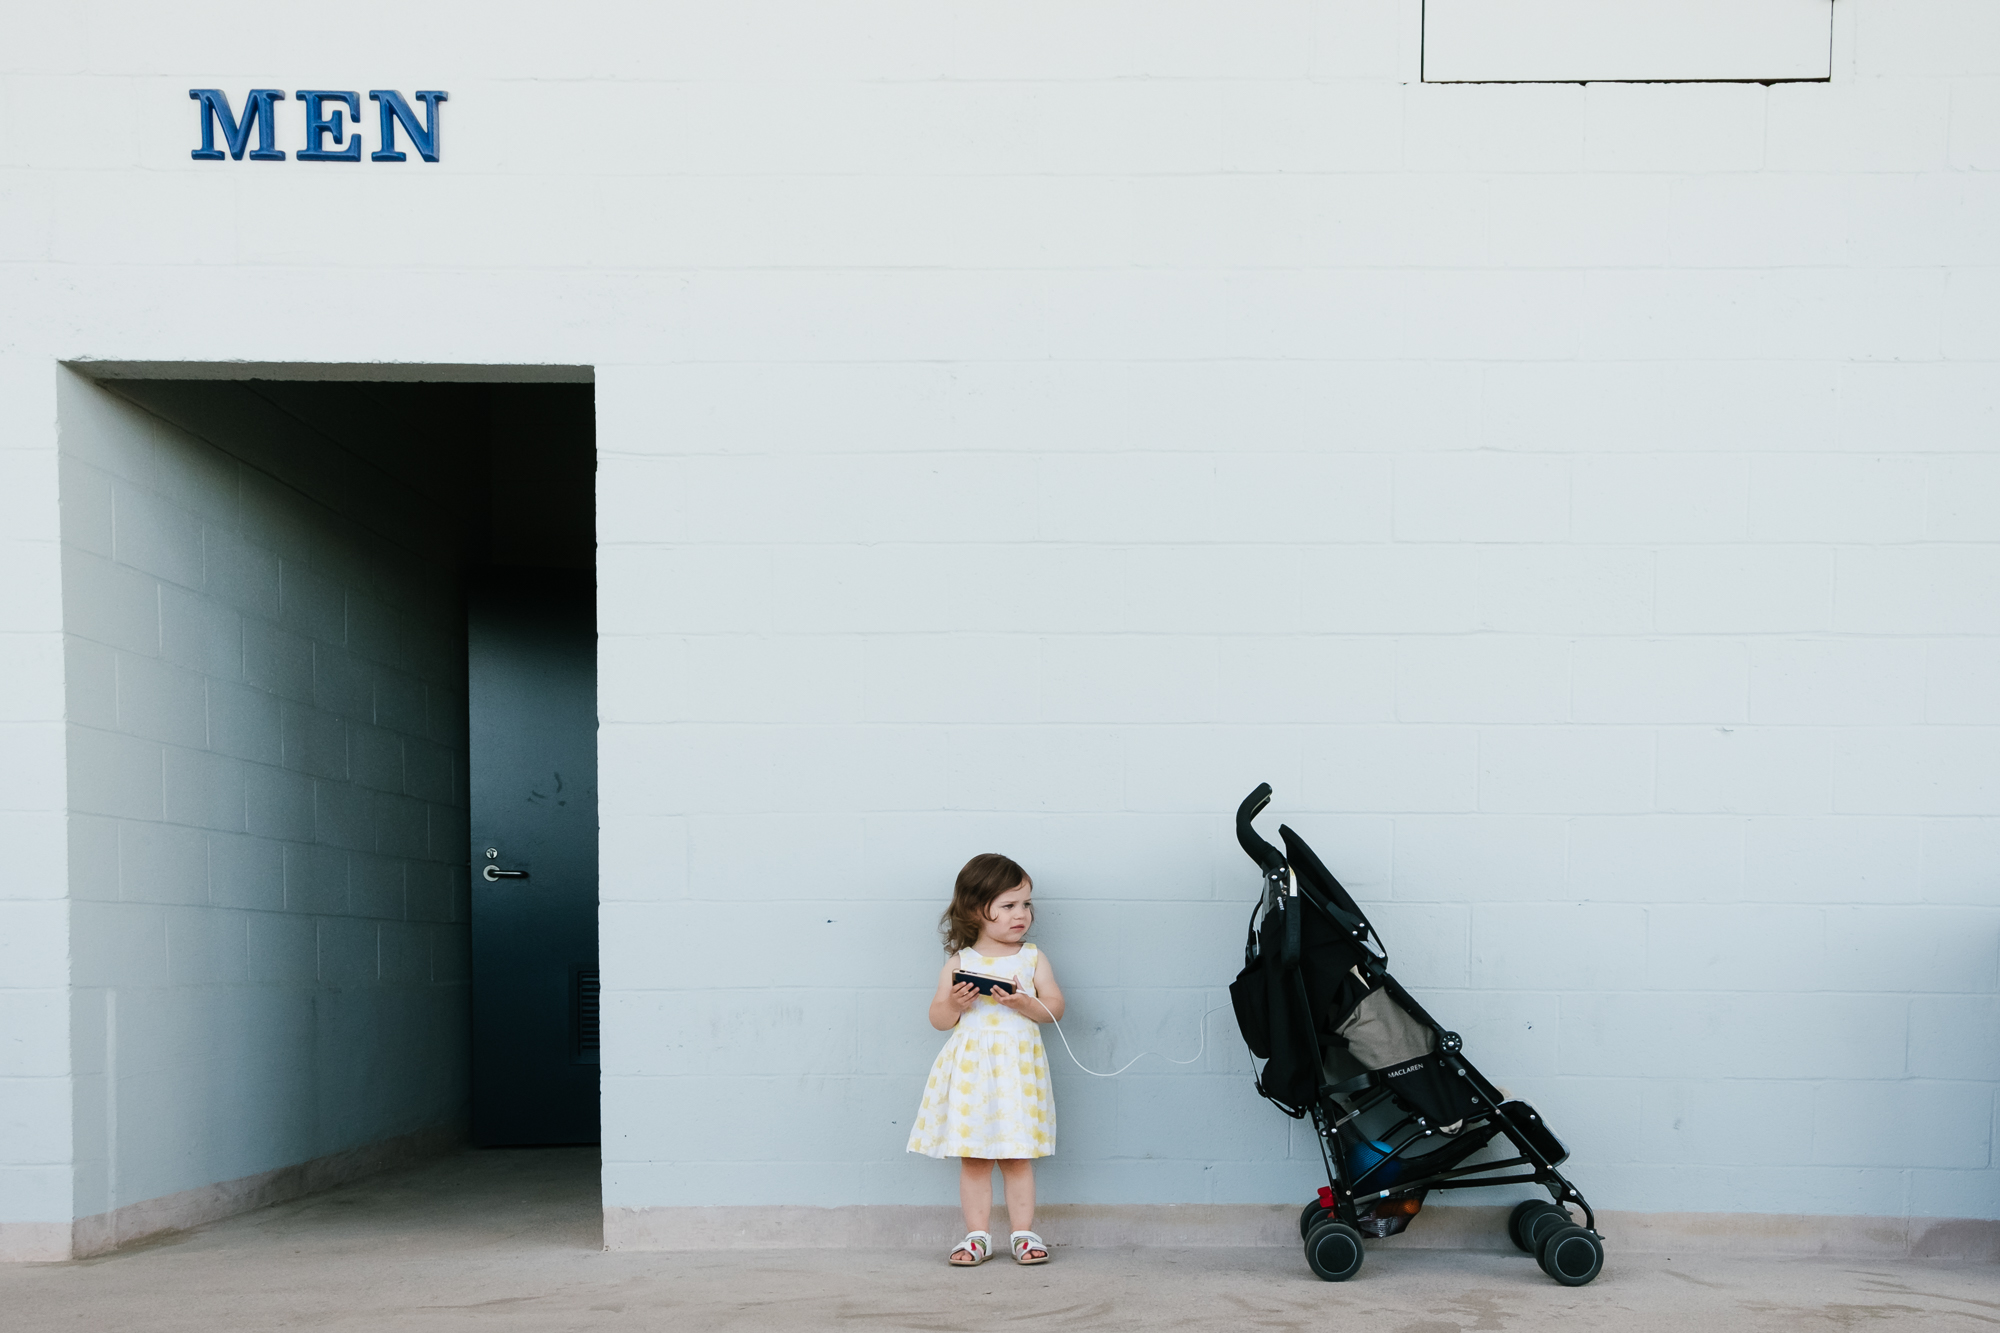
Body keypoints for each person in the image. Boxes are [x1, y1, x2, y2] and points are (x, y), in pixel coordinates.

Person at [906, 853, 1066, 1267]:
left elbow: (1055, 1009)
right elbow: (938, 1018)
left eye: (1026, 904)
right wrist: (956, 1004)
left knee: (1016, 1155)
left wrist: (1024, 1002)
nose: (1022, 915)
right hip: (972, 1074)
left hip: (1017, 1072)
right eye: (1010, 905)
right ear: (979, 910)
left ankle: (1023, 1234)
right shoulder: (961, 963)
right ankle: (977, 1236)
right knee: (975, 1157)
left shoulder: (1031, 958)